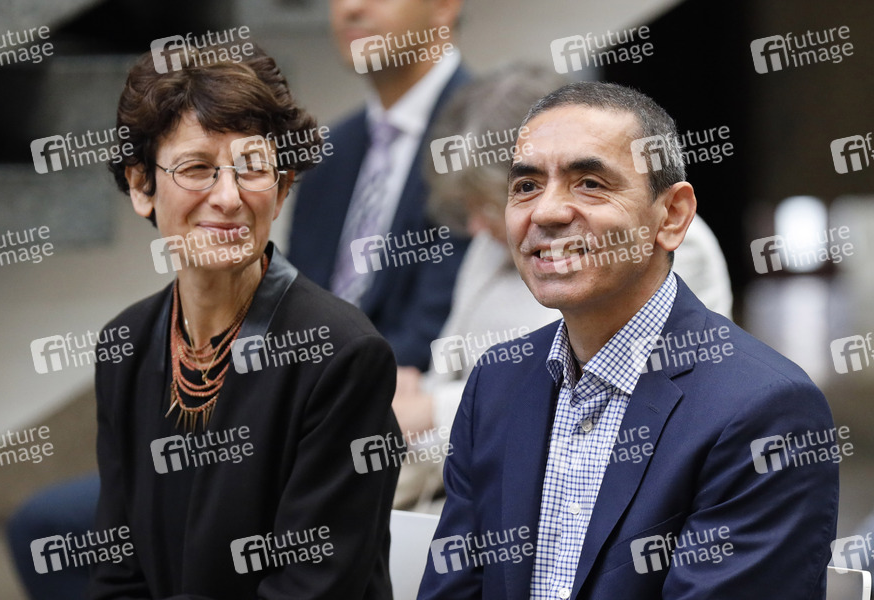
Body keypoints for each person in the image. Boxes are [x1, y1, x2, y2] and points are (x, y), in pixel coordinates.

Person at [417, 82, 838, 599]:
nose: (545, 212)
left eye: (590, 183)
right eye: (526, 185)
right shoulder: (497, 381)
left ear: (672, 216)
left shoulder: (765, 410)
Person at [80, 44, 399, 599]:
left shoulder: (341, 356)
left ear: (282, 187)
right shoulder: (125, 344)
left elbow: (312, 588)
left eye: (252, 168)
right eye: (197, 169)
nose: (228, 197)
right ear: (141, 186)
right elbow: (116, 572)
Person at [392, 67, 734, 511]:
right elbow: (453, 361)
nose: (476, 226)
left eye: (486, 204)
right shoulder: (495, 243)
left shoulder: (662, 242)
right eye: (524, 188)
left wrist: (432, 411)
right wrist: (414, 398)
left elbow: (610, 398)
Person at [288, 0, 470, 371]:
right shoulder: (327, 153)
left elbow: (436, 329)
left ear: (444, 6)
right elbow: (294, 312)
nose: (350, 8)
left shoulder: (491, 137)